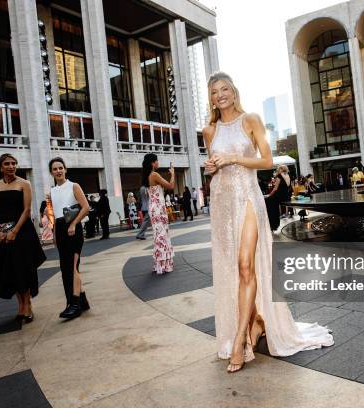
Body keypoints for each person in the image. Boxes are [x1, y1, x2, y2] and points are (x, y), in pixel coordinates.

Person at [202, 72, 333, 373]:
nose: (220, 95)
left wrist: (234, 159)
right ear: (211, 98)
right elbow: (214, 168)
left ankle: (240, 341)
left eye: (224, 89)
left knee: (247, 266)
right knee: (233, 271)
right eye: (214, 92)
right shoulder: (209, 130)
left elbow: (267, 160)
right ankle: (255, 323)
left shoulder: (251, 119)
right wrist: (211, 167)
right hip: (222, 202)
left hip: (248, 198)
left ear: (234, 92)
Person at [0, 153, 46, 323]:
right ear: (0, 167)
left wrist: (14, 231)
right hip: (1, 232)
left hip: (22, 231)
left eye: (14, 163)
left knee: (23, 268)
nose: (11, 166)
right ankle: (20, 306)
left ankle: (28, 305)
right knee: (10, 270)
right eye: (7, 164)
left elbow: (27, 210)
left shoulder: (25, 183)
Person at [49, 157, 90, 320]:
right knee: (66, 267)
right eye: (55, 169)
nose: (58, 171)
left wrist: (73, 224)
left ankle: (74, 305)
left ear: (65, 169)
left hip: (73, 228)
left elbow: (86, 207)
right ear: (51, 172)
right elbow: (55, 213)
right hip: (60, 229)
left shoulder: (74, 186)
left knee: (72, 267)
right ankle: (83, 300)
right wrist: (53, 233)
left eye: (61, 168)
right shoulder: (51, 191)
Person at [142, 153, 175, 274]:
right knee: (163, 235)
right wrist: (173, 173)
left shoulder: (147, 176)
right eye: (157, 161)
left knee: (158, 235)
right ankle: (165, 265)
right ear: (152, 163)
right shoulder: (154, 174)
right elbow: (171, 186)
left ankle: (160, 264)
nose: (158, 163)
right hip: (158, 208)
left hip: (153, 207)